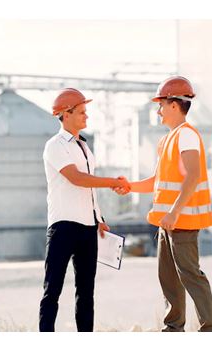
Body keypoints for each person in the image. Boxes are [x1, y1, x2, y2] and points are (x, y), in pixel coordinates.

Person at [116, 76, 212, 332]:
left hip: (181, 221)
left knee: (191, 276)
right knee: (169, 279)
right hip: (168, 223)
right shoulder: (169, 139)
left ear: (175, 105)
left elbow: (193, 175)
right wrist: (130, 186)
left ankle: (210, 331)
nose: (158, 111)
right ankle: (173, 329)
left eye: (161, 105)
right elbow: (158, 180)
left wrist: (174, 213)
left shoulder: (186, 136)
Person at [39, 88, 130, 332]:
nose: (86, 117)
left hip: (88, 228)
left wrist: (99, 218)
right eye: (81, 112)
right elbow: (77, 179)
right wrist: (112, 182)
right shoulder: (55, 145)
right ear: (66, 114)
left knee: (86, 293)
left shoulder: (84, 147)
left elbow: (89, 189)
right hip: (63, 226)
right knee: (52, 290)